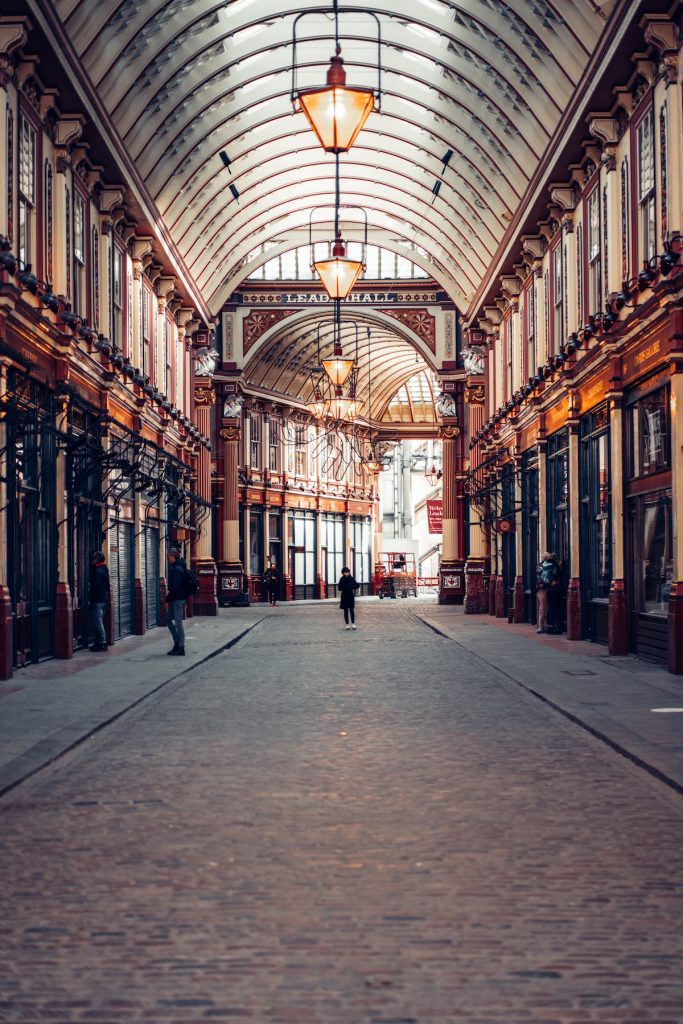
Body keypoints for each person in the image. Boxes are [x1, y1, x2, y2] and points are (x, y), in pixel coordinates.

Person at [166, 548, 188, 656]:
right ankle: (177, 642)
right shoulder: (175, 567)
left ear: (173, 556)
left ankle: (181, 647)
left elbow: (175, 587)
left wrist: (167, 598)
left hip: (178, 600)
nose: (167, 558)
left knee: (178, 622)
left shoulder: (177, 569)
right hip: (174, 599)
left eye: (168, 556)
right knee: (168, 620)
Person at [88, 550, 110, 652]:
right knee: (99, 621)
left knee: (97, 622)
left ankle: (102, 643)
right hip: (104, 599)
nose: (92, 560)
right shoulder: (105, 569)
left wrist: (90, 598)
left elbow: (96, 587)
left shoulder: (97, 571)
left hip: (97, 600)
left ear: (98, 559)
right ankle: (99, 642)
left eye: (94, 558)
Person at [540, 552, 563, 634]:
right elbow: (557, 576)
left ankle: (549, 627)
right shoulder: (555, 566)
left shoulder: (545, 565)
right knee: (558, 609)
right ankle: (558, 628)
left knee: (550, 608)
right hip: (556, 590)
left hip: (549, 590)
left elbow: (541, 576)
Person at [338, 566, 360, 630]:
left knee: (352, 610)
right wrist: (345, 587)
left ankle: (353, 624)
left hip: (350, 595)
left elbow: (357, 585)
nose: (347, 573)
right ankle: (347, 624)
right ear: (343, 573)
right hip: (344, 596)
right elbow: (339, 588)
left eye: (348, 572)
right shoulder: (342, 579)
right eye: (346, 572)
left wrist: (352, 586)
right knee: (345, 611)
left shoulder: (351, 578)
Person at [535, 551, 550, 634]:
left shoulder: (544, 566)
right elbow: (542, 577)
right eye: (548, 558)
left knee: (546, 607)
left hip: (546, 589)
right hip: (542, 589)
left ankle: (545, 625)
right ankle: (540, 626)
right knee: (543, 608)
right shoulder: (541, 566)